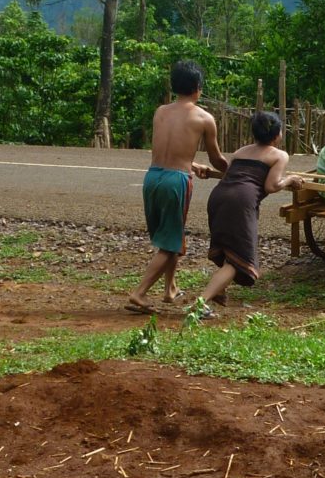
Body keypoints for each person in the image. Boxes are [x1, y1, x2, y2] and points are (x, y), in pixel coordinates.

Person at [126, 60, 229, 315]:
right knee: (171, 244)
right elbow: (217, 160)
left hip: (153, 177)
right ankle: (138, 293)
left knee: (170, 236)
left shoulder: (161, 111)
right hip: (176, 182)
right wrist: (232, 169)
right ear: (198, 88)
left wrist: (191, 163)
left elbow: (166, 149)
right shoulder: (204, 118)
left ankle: (170, 288)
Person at [196, 111, 304, 318]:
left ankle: (219, 289)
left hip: (218, 197)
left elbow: (233, 175)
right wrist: (291, 180)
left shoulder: (240, 152)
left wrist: (209, 172)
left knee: (229, 249)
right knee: (239, 260)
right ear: (276, 136)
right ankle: (200, 303)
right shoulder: (279, 155)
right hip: (241, 203)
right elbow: (272, 186)